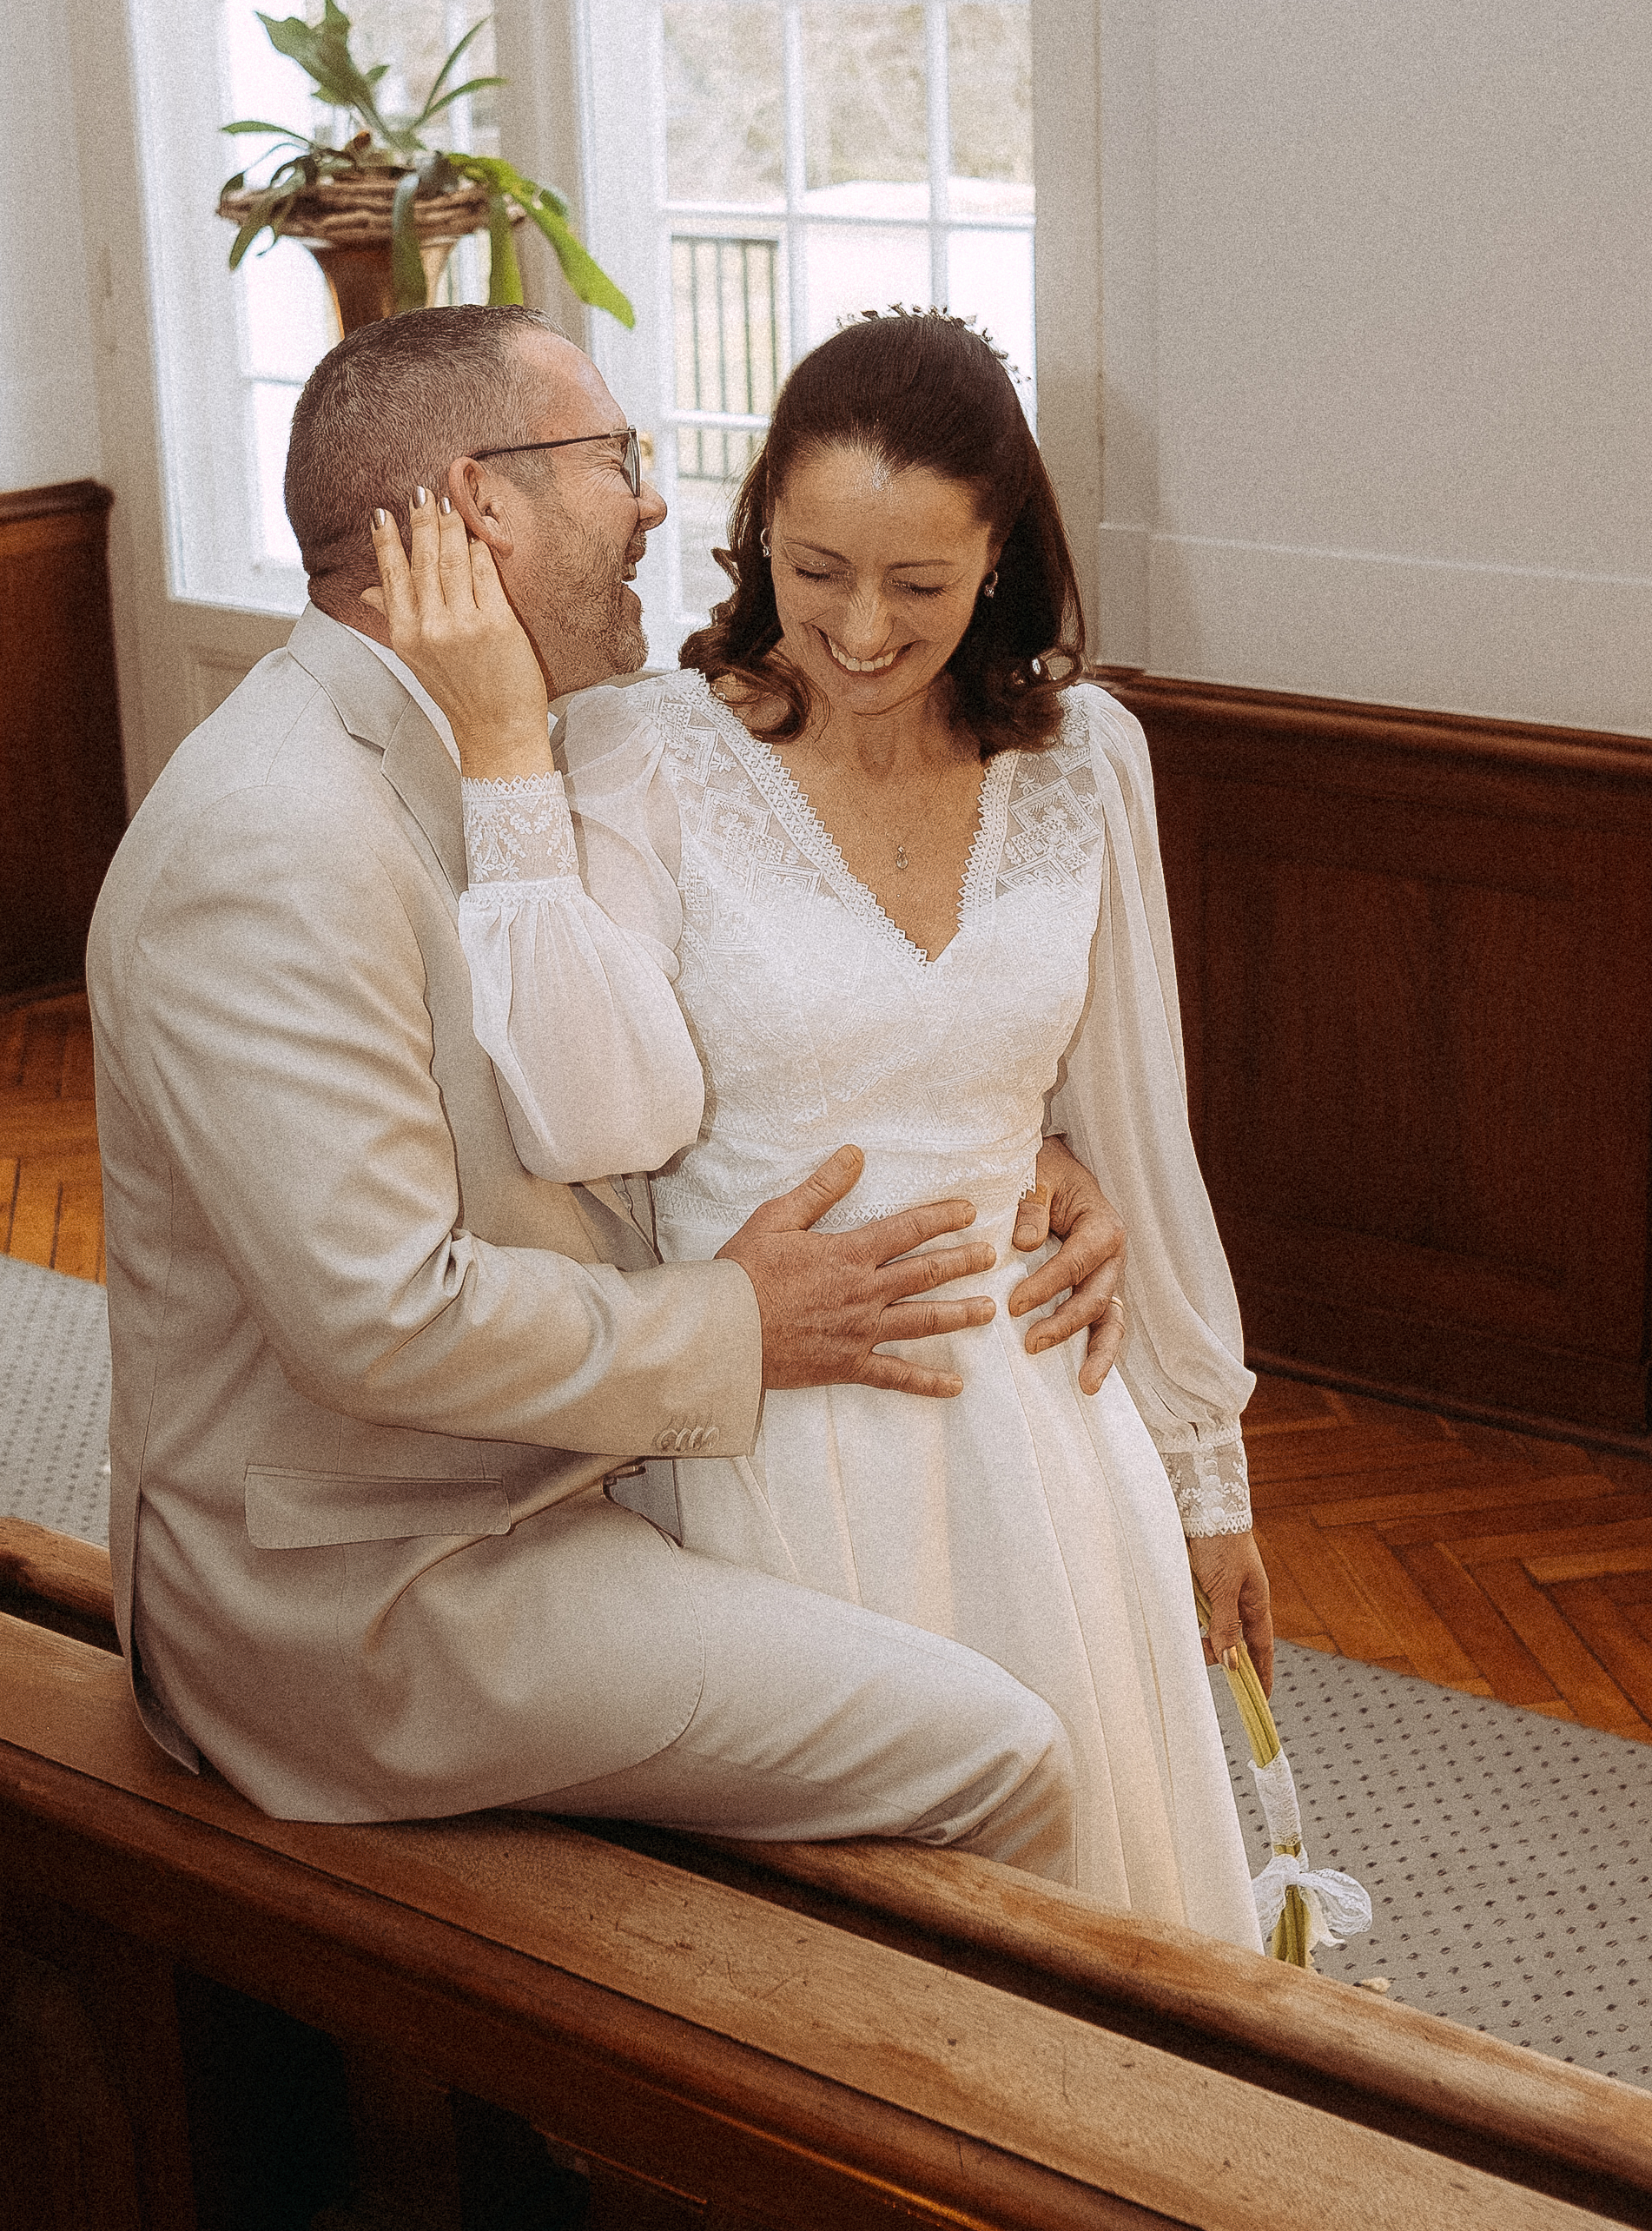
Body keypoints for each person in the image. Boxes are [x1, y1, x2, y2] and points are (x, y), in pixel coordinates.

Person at [89, 300, 1138, 1872]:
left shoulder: (530, 739)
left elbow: (728, 1014)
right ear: (472, 514)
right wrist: (745, 1325)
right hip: (383, 1579)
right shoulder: (271, 840)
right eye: (612, 461)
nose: (658, 505)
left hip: (551, 1468)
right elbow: (382, 1319)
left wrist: (1027, 1144)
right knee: (996, 1756)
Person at [370, 308, 1271, 1935]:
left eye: (919, 586)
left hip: (1045, 1431)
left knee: (1096, 1926)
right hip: (778, 1434)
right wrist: (511, 760)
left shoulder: (1090, 761)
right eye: (816, 568)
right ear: (757, 528)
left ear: (1001, 559)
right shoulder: (634, 752)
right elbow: (581, 1115)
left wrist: (1208, 1479)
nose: (859, 628)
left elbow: (1139, 1122)